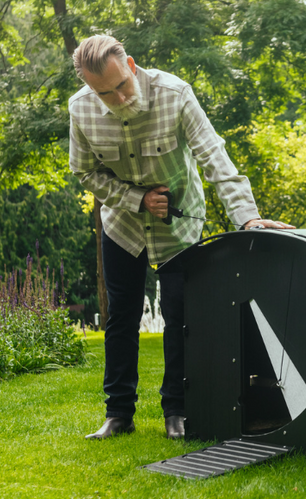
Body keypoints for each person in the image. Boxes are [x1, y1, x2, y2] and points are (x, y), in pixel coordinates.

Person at [68, 34, 293, 440]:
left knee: (180, 317)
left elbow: (213, 156)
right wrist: (135, 199)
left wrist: (248, 218)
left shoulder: (175, 93)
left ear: (132, 66)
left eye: (121, 85)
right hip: (123, 224)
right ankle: (118, 414)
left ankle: (178, 411)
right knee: (121, 318)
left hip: (179, 223)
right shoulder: (80, 109)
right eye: (105, 93)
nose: (117, 98)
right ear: (89, 87)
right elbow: (85, 172)